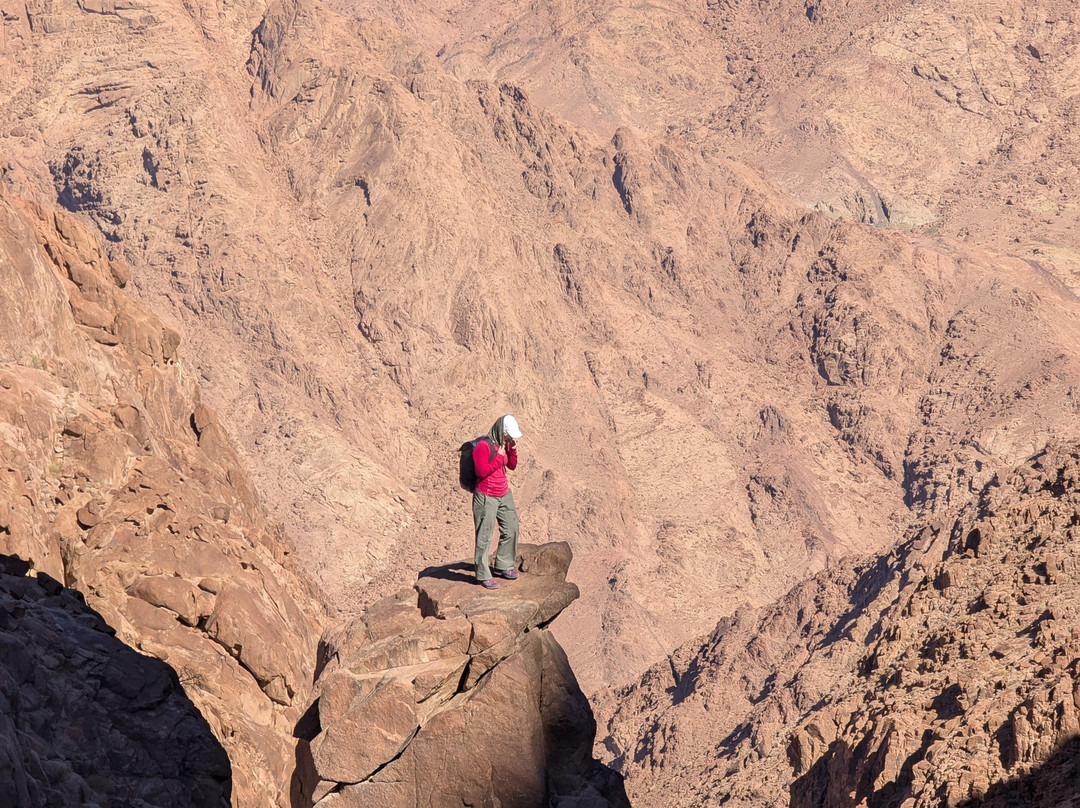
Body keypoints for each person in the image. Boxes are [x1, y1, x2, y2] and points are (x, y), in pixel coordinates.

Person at [472, 414, 523, 589]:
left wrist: (512, 450)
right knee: (484, 536)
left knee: (511, 528)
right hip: (486, 495)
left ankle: (504, 564)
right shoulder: (483, 446)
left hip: (503, 492)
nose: (510, 438)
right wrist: (499, 457)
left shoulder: (505, 443)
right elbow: (481, 471)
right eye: (509, 435)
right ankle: (483, 574)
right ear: (501, 431)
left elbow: (512, 466)